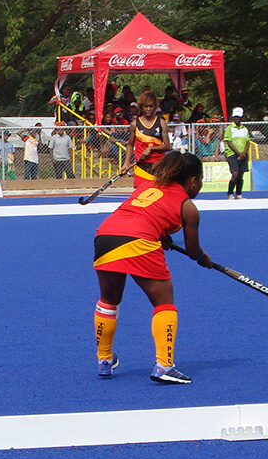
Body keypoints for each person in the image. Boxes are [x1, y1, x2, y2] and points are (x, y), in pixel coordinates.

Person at [92, 151, 211, 384]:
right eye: (201, 180)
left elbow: (146, 214)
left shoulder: (146, 187)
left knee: (109, 300)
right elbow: (193, 250)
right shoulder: (188, 207)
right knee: (164, 302)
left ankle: (104, 359)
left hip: (105, 235)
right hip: (139, 240)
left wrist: (161, 235)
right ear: (193, 180)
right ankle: (165, 366)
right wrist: (203, 258)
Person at [125, 91, 171, 187]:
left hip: (158, 166)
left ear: (155, 106)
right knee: (141, 195)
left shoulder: (161, 122)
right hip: (141, 166)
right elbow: (130, 144)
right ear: (141, 107)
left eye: (151, 106)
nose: (149, 109)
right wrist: (126, 163)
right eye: (146, 106)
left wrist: (151, 148)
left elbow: (167, 146)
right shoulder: (135, 124)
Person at [223, 107, 249, 199]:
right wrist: (239, 153)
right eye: (235, 117)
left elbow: (247, 142)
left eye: (239, 117)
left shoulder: (244, 129)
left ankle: (239, 194)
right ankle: (230, 193)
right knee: (235, 174)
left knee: (241, 174)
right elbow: (229, 143)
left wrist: (244, 153)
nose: (237, 118)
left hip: (243, 154)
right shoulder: (229, 129)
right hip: (232, 154)